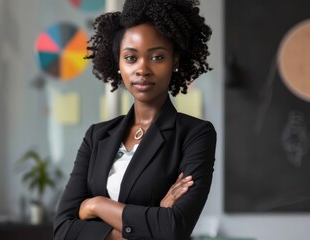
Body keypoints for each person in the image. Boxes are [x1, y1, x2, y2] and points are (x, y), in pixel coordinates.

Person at [54, 0, 216, 239]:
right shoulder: (97, 136)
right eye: (131, 58)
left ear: (175, 61)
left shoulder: (195, 134)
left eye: (157, 57)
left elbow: (173, 228)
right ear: (118, 64)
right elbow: (63, 230)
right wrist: (150, 224)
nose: (142, 69)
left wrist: (95, 205)